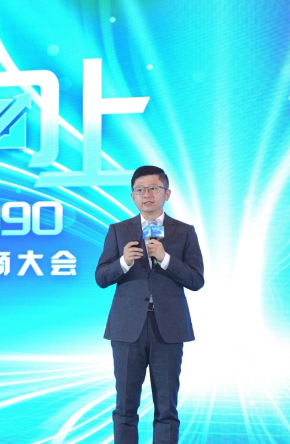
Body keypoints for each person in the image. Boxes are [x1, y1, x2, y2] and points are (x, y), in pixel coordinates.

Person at [95, 165, 204, 444]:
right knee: (125, 408)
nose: (147, 195)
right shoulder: (118, 231)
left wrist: (165, 258)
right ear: (132, 196)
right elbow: (101, 278)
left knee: (166, 409)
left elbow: (196, 280)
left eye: (154, 188)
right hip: (127, 329)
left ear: (167, 193)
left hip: (167, 329)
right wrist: (123, 262)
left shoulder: (184, 232)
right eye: (140, 190)